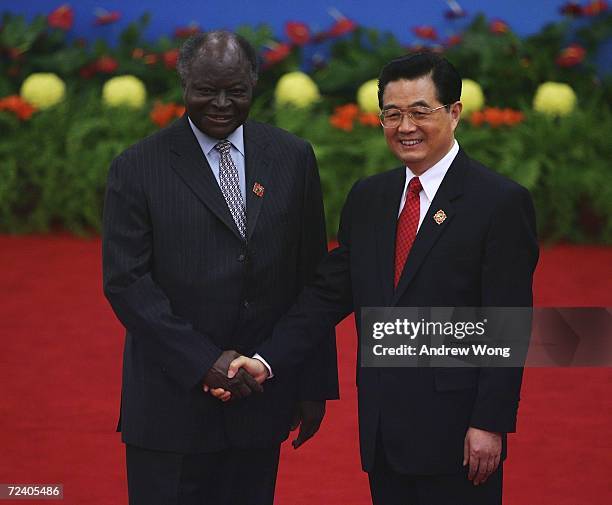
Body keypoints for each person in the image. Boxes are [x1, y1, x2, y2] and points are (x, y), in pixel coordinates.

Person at [226, 53, 539, 504]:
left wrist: (490, 422)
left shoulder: (499, 203)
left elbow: (508, 323)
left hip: (458, 435)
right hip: (384, 432)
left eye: (419, 111)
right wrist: (266, 360)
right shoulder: (369, 198)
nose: (405, 126)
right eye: (392, 114)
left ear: (454, 113)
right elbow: (326, 296)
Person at [102, 30, 338, 505]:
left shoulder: (292, 158)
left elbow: (312, 277)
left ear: (254, 84)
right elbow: (127, 282)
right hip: (170, 409)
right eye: (206, 90)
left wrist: (312, 385)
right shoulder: (138, 166)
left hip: (259, 401)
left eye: (237, 90)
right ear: (183, 82)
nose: (222, 103)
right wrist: (203, 363)